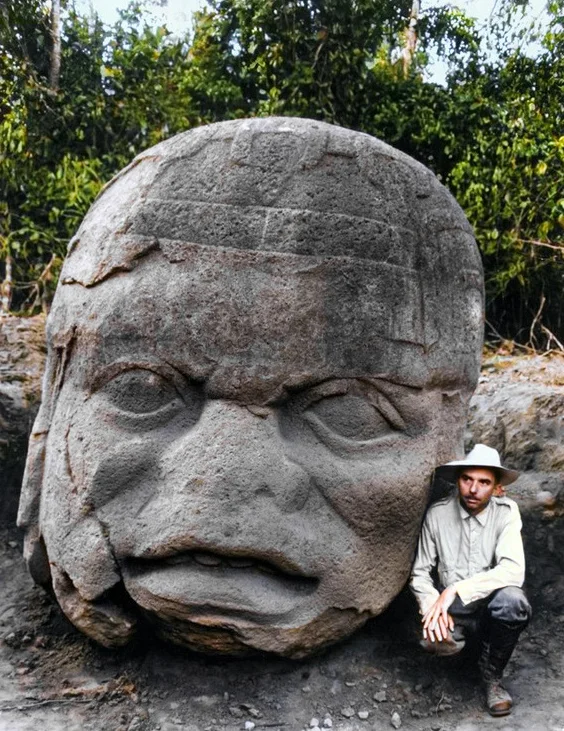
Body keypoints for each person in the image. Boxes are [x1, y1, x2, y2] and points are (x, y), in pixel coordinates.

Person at [410, 443, 531, 716]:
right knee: (432, 640)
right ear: (458, 480)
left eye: (484, 482)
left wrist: (455, 588)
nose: (473, 489)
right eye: (467, 479)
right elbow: (420, 572)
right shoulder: (438, 514)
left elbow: (513, 570)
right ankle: (465, 653)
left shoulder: (506, 512)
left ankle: (492, 677)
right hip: (455, 611)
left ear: (497, 488)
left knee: (513, 602)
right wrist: (432, 608)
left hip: (491, 607)